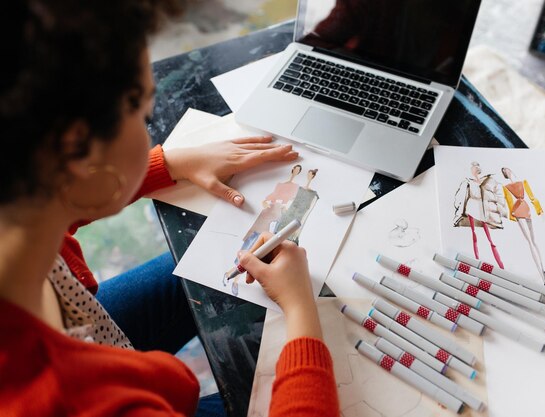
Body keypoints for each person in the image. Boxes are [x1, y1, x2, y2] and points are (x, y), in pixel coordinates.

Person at [0, 1, 340, 416]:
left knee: (196, 263)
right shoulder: (82, 403)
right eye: (142, 112)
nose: (149, 135)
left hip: (85, 326)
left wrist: (172, 163)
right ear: (77, 149)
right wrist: (301, 310)